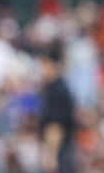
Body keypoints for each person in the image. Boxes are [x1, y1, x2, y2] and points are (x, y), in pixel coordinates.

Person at [38, 41, 77, 173]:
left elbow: (56, 125)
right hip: (62, 150)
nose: (42, 69)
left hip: (61, 151)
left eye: (44, 64)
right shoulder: (51, 88)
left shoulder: (58, 89)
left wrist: (51, 154)